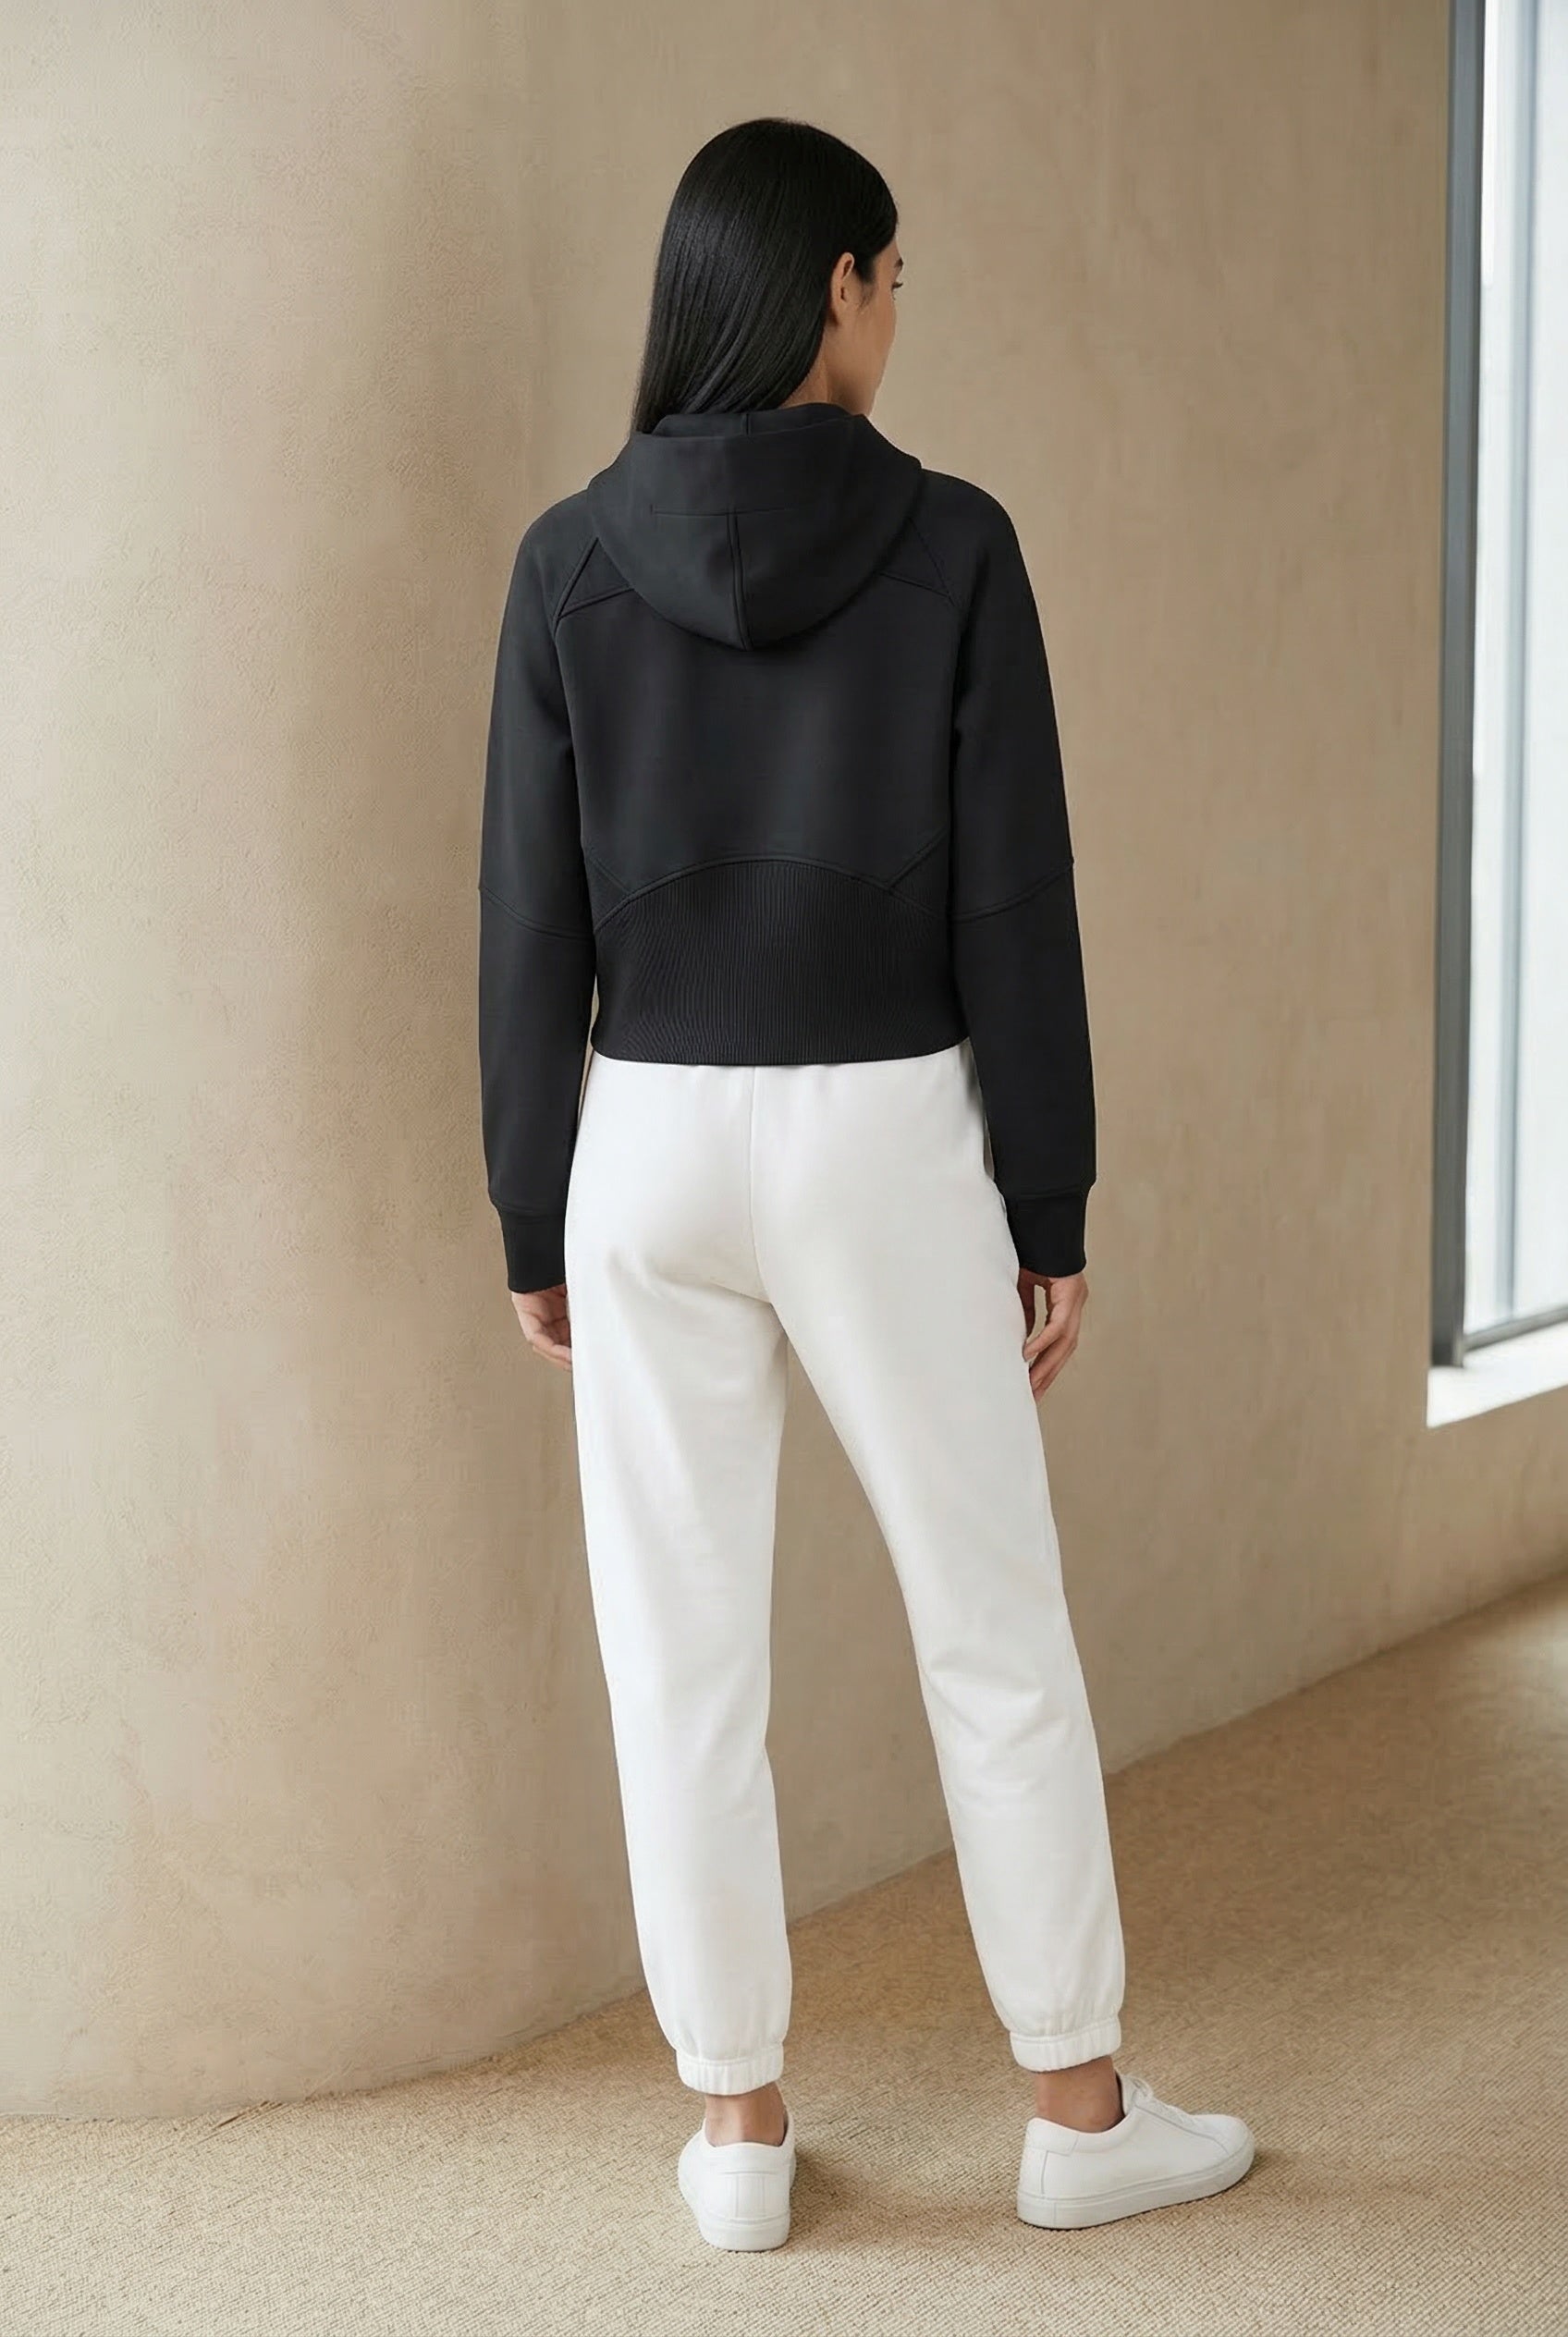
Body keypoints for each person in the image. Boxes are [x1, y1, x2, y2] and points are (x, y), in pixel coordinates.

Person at [477, 115, 1255, 2250]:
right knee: (989, 1627)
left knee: (679, 1657)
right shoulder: (953, 546)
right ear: (830, 287)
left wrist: (533, 1205)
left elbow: (528, 917)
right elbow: (1015, 899)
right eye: (891, 279)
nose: (898, 315)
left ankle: (735, 2133)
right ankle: (1074, 2111)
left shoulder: (564, 562)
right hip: (883, 1133)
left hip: (644, 1136)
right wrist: (1048, 1203)